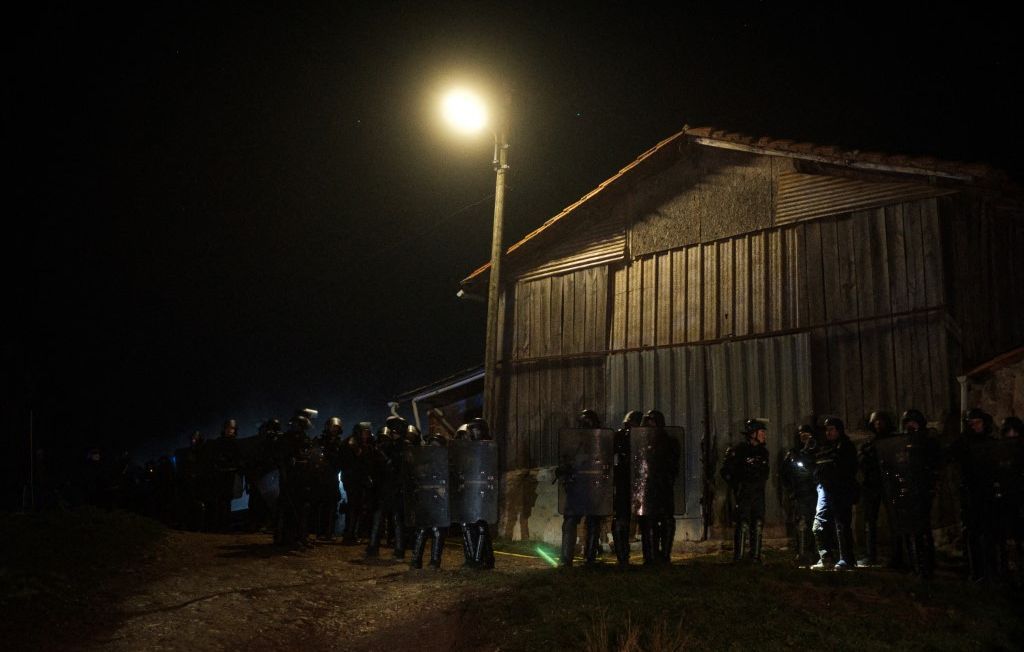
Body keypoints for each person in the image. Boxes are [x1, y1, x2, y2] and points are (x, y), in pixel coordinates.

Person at [947, 407, 996, 581]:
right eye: (971, 423)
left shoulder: (991, 442)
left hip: (988, 493)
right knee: (972, 532)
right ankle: (975, 570)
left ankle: (991, 570)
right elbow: (949, 455)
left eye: (978, 422)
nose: (975, 426)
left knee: (990, 531)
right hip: (970, 493)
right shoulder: (963, 443)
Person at [555, 409, 607, 567]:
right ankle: (566, 558)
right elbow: (566, 460)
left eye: (587, 424)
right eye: (582, 424)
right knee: (570, 520)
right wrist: (563, 469)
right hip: (577, 486)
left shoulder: (602, 441)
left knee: (593, 520)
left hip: (594, 487)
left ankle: (590, 557)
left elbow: (605, 463)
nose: (583, 427)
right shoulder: (573, 442)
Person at [810, 417, 859, 571]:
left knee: (842, 525)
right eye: (827, 429)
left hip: (840, 490)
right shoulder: (824, 448)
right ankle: (826, 558)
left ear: (839, 430)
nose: (828, 432)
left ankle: (846, 559)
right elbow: (815, 466)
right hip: (824, 489)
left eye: (831, 429)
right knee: (819, 523)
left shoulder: (846, 446)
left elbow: (848, 469)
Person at [721, 419, 770, 564]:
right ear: (753, 433)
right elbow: (726, 471)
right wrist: (738, 485)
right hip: (744, 492)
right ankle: (739, 557)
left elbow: (765, 472)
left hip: (758, 492)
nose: (764, 435)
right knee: (743, 523)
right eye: (761, 432)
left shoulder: (763, 452)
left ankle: (755, 556)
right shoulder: (739, 450)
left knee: (758, 522)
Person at [857, 410, 901, 568]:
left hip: (890, 484)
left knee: (895, 520)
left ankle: (898, 556)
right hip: (873, 486)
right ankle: (871, 555)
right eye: (875, 422)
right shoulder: (870, 444)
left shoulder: (894, 441)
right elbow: (862, 464)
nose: (878, 424)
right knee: (870, 521)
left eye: (881, 421)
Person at [637, 410, 679, 564]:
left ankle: (665, 555)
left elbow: (673, 465)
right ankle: (651, 556)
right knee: (648, 520)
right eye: (647, 423)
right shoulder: (641, 442)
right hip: (647, 487)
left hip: (664, 486)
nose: (649, 426)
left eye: (652, 422)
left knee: (667, 520)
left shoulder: (670, 442)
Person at [454, 417, 496, 569]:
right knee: (467, 524)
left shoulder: (490, 446)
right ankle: (472, 558)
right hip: (470, 491)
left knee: (481, 525)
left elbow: (491, 468)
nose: (474, 432)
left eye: (476, 429)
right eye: (472, 430)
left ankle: (482, 559)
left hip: (484, 491)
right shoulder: (470, 448)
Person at [409, 431, 449, 569]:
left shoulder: (446, 463)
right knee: (422, 529)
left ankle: (435, 561)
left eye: (436, 446)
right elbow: (417, 478)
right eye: (432, 445)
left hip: (439, 500)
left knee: (437, 530)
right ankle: (415, 560)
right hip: (426, 499)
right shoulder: (423, 462)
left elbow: (448, 480)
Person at [780, 424, 817, 564]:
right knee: (801, 523)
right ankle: (801, 554)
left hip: (814, 492)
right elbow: (784, 473)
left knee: (815, 523)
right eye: (802, 435)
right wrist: (791, 490)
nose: (804, 437)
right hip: (800, 493)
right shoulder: (793, 453)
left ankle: (814, 552)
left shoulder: (815, 451)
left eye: (807, 435)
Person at [613, 410, 643, 568]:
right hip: (624, 481)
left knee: (644, 518)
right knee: (621, 518)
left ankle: (651, 556)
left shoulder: (643, 436)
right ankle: (622, 557)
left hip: (641, 481)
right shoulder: (620, 436)